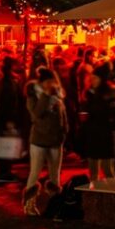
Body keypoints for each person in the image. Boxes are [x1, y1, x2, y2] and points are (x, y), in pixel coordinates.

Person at [23, 67, 68, 214]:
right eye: (48, 82)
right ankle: (29, 203)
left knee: (55, 173)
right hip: (39, 140)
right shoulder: (33, 94)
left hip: (55, 139)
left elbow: (62, 114)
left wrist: (64, 131)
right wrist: (46, 96)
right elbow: (37, 113)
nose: (51, 84)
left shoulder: (58, 95)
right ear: (41, 83)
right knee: (35, 172)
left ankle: (55, 203)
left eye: (52, 81)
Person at [82, 63, 115, 182]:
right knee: (93, 169)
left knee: (107, 168)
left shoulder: (110, 94)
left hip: (104, 134)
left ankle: (114, 195)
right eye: (92, 78)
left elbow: (111, 114)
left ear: (101, 79)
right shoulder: (90, 93)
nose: (92, 80)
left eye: (95, 78)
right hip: (92, 133)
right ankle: (94, 193)